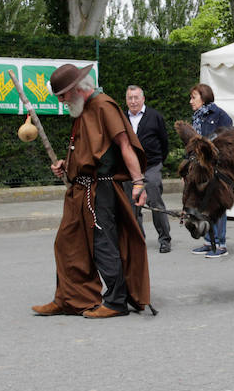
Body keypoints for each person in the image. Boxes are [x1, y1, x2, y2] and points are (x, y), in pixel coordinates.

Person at [32, 64, 150, 319]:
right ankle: (70, 299)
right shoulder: (83, 110)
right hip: (80, 188)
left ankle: (116, 302)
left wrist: (139, 183)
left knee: (102, 245)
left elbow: (125, 145)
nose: (61, 101)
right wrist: (67, 165)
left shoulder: (103, 105)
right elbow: (88, 150)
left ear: (76, 89)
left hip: (101, 189)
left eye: (62, 96)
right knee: (66, 243)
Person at [188, 83, 234, 258]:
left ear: (204, 96)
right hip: (200, 169)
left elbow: (228, 139)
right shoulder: (197, 117)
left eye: (194, 97)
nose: (191, 101)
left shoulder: (220, 115)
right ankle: (208, 242)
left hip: (217, 168)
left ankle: (220, 245)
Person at [124, 85, 172, 253]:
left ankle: (164, 239)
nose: (133, 101)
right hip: (131, 170)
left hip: (152, 165)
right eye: (130, 98)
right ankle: (138, 240)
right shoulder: (122, 118)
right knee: (132, 205)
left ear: (143, 99)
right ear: (126, 100)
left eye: (136, 97)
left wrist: (158, 162)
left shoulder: (155, 117)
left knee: (155, 201)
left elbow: (164, 143)